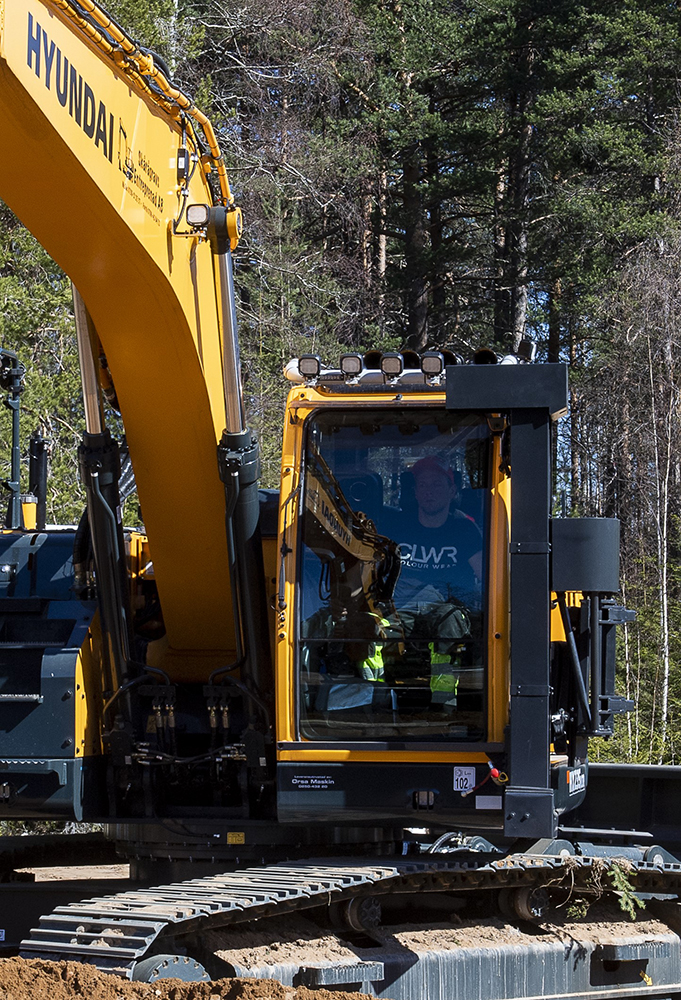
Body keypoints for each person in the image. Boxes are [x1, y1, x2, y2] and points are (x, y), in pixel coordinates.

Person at [385, 456, 483, 708]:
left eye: (437, 485)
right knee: (378, 627)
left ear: (452, 491)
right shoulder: (397, 526)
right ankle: (379, 700)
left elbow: (487, 576)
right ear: (415, 492)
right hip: (402, 605)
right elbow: (375, 569)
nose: (429, 492)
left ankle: (444, 703)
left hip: (449, 605)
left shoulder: (465, 529)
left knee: (449, 623)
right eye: (423, 485)